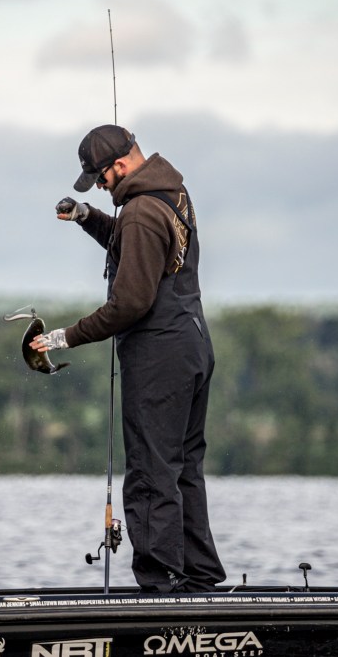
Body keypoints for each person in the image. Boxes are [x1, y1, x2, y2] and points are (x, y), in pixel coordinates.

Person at [30, 124, 226, 593]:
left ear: (119, 165)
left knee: (151, 473)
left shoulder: (140, 212)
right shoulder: (171, 193)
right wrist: (87, 217)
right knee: (182, 469)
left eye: (100, 179)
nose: (100, 186)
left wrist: (63, 337)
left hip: (159, 357)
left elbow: (130, 303)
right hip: (192, 347)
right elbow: (136, 248)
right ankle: (199, 579)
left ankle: (161, 588)